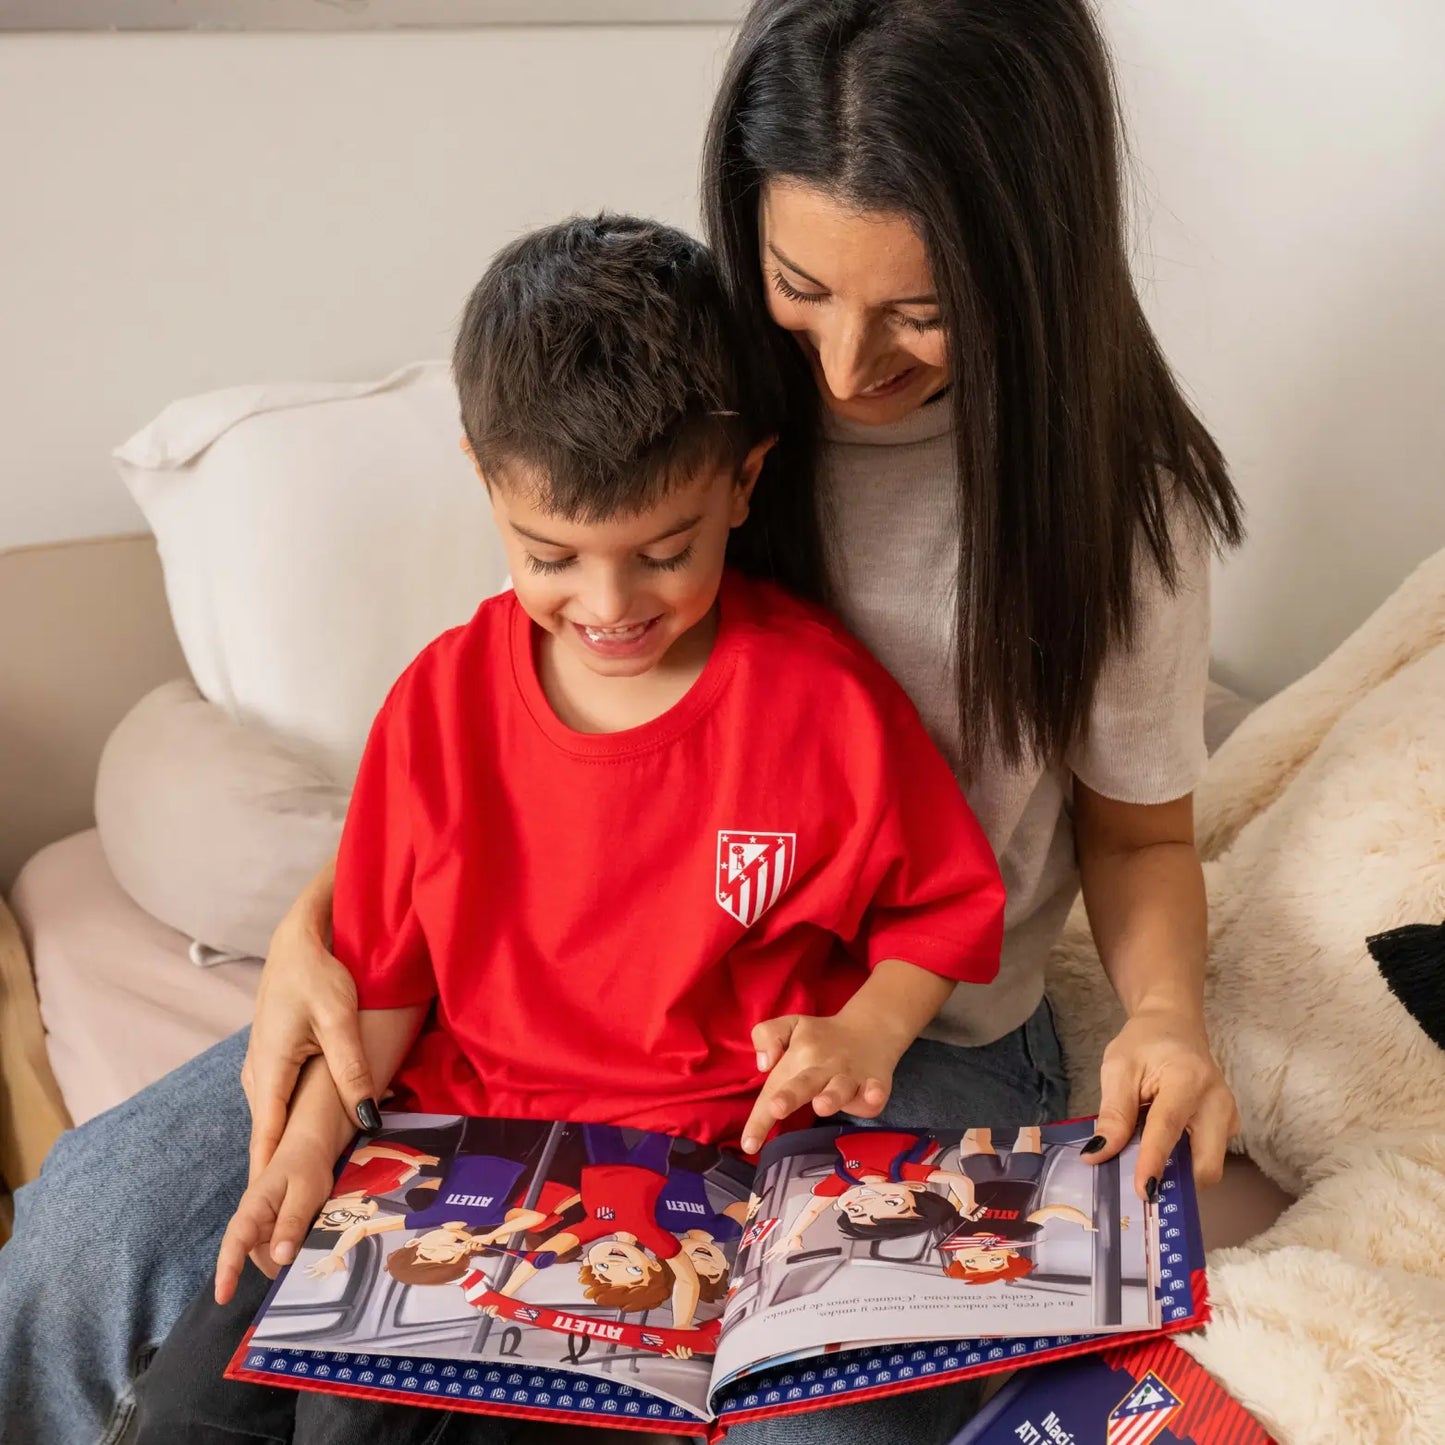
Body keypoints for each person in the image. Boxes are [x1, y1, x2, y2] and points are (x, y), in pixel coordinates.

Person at [0, 2, 1244, 1441]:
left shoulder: (1112, 504)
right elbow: (498, 791)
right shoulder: (690, 397)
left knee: (804, 1423)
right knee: (93, 1242)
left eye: (922, 310)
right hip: (527, 1017)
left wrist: (1165, 1016)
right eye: (801, 283)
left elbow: (1138, 836)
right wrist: (317, 930)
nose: (846, 366)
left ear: (1030, 261)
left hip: (902, 1034)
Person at [128, 212, 1007, 1441]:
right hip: (439, 1151)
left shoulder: (824, 707)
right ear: (484, 478)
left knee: (360, 1425)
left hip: (685, 1180)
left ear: (744, 480)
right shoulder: (437, 704)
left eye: (664, 553)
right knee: (185, 1412)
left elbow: (946, 904)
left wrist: (868, 1022)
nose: (607, 604)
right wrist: (306, 1148)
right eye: (551, 556)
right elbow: (376, 991)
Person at [939, 1126, 1118, 1285]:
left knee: (973, 1137)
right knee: (1029, 1135)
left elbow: (957, 1189)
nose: (982, 1257)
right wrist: (1085, 1221)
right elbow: (1053, 1210)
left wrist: (965, 1199)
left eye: (971, 1264)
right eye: (995, 1261)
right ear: (1012, 1253)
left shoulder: (954, 1228)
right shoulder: (1017, 1231)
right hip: (1023, 1177)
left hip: (979, 1176)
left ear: (956, 1256)